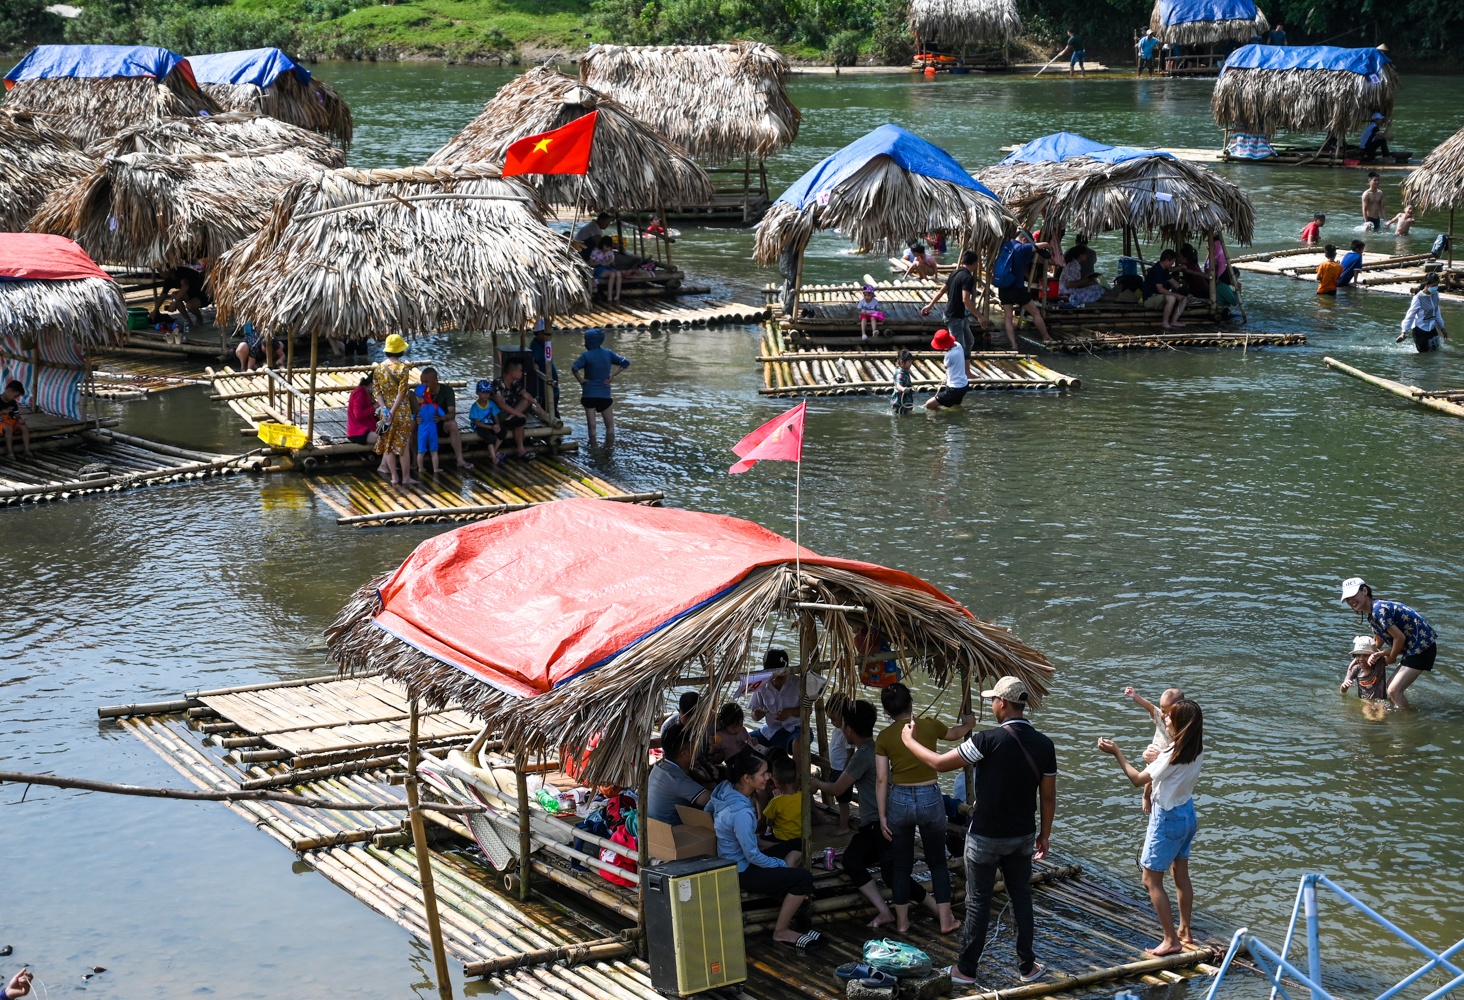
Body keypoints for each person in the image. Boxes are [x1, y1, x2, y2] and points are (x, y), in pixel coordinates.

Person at [900, 675, 1056, 986]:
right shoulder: (1044, 745)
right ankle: (1027, 967)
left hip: (985, 836)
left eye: (994, 702)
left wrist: (909, 742)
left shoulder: (986, 741)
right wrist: (1045, 834)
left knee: (979, 901)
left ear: (1003, 703)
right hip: (1023, 834)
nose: (993, 707)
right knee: (1021, 898)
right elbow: (1048, 796)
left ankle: (966, 970)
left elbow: (941, 763)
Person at [1097, 699, 1204, 956]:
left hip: (1167, 818)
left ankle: (1171, 940)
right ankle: (1185, 930)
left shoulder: (1170, 754)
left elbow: (1136, 780)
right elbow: (1171, 764)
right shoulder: (1196, 747)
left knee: (1151, 879)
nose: (1164, 719)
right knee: (1181, 874)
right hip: (1187, 813)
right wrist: (1157, 758)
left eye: (1169, 717)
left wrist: (1117, 753)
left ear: (1179, 724)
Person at [875, 682, 973, 935]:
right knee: (937, 862)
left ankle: (902, 922)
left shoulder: (885, 737)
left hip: (900, 799)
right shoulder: (929, 724)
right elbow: (955, 734)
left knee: (901, 865)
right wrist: (969, 724)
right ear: (911, 704)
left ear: (887, 711)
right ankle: (945, 921)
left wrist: (883, 814)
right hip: (930, 795)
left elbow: (882, 779)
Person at [707, 749, 822, 950]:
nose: (768, 777)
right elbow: (751, 855)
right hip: (742, 870)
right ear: (747, 778)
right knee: (804, 879)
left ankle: (785, 886)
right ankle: (781, 930)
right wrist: (780, 865)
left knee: (797, 844)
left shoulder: (725, 789)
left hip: (736, 857)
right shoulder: (741, 813)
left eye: (768, 772)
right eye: (763, 774)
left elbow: (708, 810)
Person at [813, 700, 904, 928]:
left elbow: (837, 789)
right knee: (887, 869)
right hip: (892, 820)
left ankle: (885, 911)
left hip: (877, 825)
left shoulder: (862, 755)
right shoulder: (880, 746)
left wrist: (815, 782)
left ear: (848, 730)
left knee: (858, 862)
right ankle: (934, 907)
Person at [1341, 577, 1440, 709]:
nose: (1351, 601)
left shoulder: (1378, 610)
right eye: (1347, 598)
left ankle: (1407, 721)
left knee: (1394, 691)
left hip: (1422, 648)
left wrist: (1391, 657)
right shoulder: (1373, 613)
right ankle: (1400, 716)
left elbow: (1400, 638)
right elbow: (1377, 642)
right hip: (1413, 649)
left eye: (1353, 595)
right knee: (1389, 690)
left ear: (1364, 591)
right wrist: (1361, 657)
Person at [991, 233, 1053, 349]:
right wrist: (1049, 248)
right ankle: (1046, 337)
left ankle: (1014, 345)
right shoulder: (1021, 247)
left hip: (1004, 286)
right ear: (1024, 239)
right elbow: (1044, 244)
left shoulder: (1005, 245)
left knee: (1008, 318)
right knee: (1035, 312)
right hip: (1017, 287)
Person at [571, 328, 630, 448]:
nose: (585, 343)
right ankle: (609, 449)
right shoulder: (608, 353)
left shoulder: (585, 355)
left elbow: (574, 368)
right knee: (610, 426)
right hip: (604, 395)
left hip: (589, 394)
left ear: (589, 342)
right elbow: (625, 362)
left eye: (586, 340)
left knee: (592, 426)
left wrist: (581, 381)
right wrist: (612, 376)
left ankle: (593, 449)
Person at [920, 250, 986, 358]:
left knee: (969, 341)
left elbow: (942, 291)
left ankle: (966, 370)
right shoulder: (968, 278)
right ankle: (954, 370)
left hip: (959, 316)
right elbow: (966, 300)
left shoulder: (955, 272)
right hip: (954, 317)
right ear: (975, 264)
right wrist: (979, 316)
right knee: (957, 347)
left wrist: (930, 305)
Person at [372, 334, 418, 486]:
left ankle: (394, 477)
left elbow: (376, 391)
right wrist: (394, 410)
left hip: (385, 412)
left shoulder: (379, 368)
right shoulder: (402, 368)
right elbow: (402, 392)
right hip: (401, 410)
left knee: (389, 445)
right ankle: (406, 478)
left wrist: (385, 409)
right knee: (403, 445)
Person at [648, 721, 711, 825]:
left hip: (652, 825)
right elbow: (709, 799)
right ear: (685, 754)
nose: (698, 752)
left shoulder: (660, 765)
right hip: (668, 833)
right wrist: (709, 781)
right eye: (695, 748)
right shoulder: (676, 779)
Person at [491, 357, 549, 461]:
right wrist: (517, 413)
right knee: (520, 419)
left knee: (525, 403)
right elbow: (500, 404)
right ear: (513, 372)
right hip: (499, 414)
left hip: (511, 413)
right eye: (520, 370)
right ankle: (520, 449)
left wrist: (538, 405)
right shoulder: (497, 383)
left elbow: (525, 395)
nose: (522, 372)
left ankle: (521, 450)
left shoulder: (515, 383)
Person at [749, 649, 802, 751]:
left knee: (799, 744)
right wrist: (756, 715)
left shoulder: (798, 683)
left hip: (794, 729)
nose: (775, 682)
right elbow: (753, 714)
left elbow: (808, 711)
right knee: (745, 740)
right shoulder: (761, 684)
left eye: (780, 678)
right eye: (772, 678)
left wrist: (790, 712)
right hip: (770, 731)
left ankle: (797, 767)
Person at [418, 367, 469, 470]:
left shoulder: (447, 391)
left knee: (452, 424)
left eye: (426, 382)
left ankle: (459, 459)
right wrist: (417, 418)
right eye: (422, 382)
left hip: (440, 424)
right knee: (412, 423)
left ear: (435, 380)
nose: (424, 385)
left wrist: (441, 418)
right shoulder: (420, 393)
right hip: (424, 426)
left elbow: (452, 414)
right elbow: (415, 411)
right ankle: (415, 460)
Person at [759, 753, 805, 861]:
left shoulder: (776, 802)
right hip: (799, 838)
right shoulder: (803, 797)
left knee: (758, 839)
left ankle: (779, 848)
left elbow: (769, 823)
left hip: (781, 839)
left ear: (776, 781)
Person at [823, 693, 854, 826]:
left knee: (843, 801)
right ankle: (842, 821)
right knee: (840, 798)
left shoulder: (847, 732)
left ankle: (843, 825)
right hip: (835, 768)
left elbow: (850, 752)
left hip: (842, 770)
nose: (831, 722)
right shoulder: (838, 730)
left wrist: (846, 770)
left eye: (833, 718)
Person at [1398, 273, 1449, 353]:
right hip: (1420, 330)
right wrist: (1404, 332)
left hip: (1431, 328)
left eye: (1437, 285)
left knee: (1436, 351)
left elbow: (1436, 312)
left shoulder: (1435, 295)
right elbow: (1410, 315)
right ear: (1427, 285)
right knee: (1423, 355)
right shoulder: (1418, 298)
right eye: (1434, 285)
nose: (1436, 287)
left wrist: (1442, 328)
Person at [924, 328, 969, 411]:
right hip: (964, 385)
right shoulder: (958, 345)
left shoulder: (949, 355)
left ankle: (941, 415)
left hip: (954, 388)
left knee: (928, 405)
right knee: (955, 406)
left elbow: (946, 366)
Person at [1143, 250, 1189, 330]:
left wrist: (1184, 292)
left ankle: (1174, 321)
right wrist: (1176, 295)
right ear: (1167, 260)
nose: (1172, 264)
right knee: (1171, 298)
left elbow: (1174, 283)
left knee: (1184, 298)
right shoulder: (1157, 270)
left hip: (1159, 298)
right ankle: (1165, 322)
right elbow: (1160, 289)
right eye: (1172, 262)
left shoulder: (1164, 270)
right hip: (1150, 299)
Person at [1341, 634, 1390, 703]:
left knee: (1382, 710)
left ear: (1372, 655)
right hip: (1365, 702)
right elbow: (1343, 690)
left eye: (1365, 655)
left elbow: (1391, 652)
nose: (1361, 659)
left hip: (1381, 701)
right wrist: (1344, 686)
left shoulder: (1379, 664)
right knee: (1367, 710)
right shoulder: (1356, 669)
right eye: (1358, 655)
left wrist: (1378, 654)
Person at [528, 321, 560, 415]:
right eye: (548, 332)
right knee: (551, 414)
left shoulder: (545, 344)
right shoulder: (536, 348)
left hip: (552, 389)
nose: (551, 334)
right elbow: (533, 362)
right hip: (544, 390)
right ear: (540, 333)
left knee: (553, 411)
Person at [467, 379, 501, 465]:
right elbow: (477, 423)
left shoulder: (491, 404)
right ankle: (494, 458)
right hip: (479, 426)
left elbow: (495, 416)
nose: (486, 395)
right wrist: (492, 427)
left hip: (489, 424)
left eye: (488, 393)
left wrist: (497, 425)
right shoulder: (474, 407)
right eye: (483, 392)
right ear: (477, 392)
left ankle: (494, 451)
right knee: (489, 437)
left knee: (502, 431)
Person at [0, 380, 31, 460]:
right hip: (1, 423)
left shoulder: (13, 402)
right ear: (10, 391)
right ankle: (10, 453)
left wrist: (20, 419)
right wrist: (3, 411)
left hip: (10, 421)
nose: (15, 398)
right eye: (15, 396)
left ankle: (27, 450)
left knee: (23, 426)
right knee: (9, 428)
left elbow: (17, 415)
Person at [415, 392, 442, 478]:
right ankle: (436, 469)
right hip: (432, 432)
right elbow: (442, 414)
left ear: (421, 399)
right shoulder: (434, 406)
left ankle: (421, 468)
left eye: (417, 398)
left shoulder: (418, 408)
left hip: (422, 432)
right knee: (434, 452)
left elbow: (412, 417)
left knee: (421, 452)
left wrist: (416, 417)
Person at [345, 375, 378, 446]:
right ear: (371, 384)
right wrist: (375, 406)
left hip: (367, 428)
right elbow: (358, 414)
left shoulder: (368, 393)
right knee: (388, 440)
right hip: (358, 432)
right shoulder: (359, 393)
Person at [590, 236, 624, 302]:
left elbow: (613, 264)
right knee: (612, 274)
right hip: (598, 268)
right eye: (606, 246)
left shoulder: (610, 251)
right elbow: (590, 264)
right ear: (602, 245)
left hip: (607, 267)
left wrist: (611, 261)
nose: (607, 249)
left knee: (618, 274)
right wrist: (600, 262)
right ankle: (609, 296)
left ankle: (617, 296)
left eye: (609, 247)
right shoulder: (596, 251)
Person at [891, 349, 915, 415]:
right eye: (909, 362)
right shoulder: (900, 373)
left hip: (906, 398)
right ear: (902, 362)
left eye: (911, 362)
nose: (911, 364)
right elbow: (898, 385)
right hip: (900, 401)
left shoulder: (904, 371)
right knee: (901, 414)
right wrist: (903, 389)